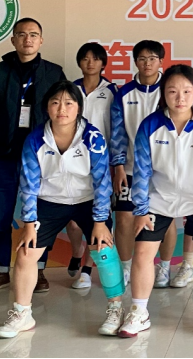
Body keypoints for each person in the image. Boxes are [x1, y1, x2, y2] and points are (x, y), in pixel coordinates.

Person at [0, 81, 122, 338]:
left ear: (78, 108)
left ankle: (116, 309)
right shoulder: (35, 140)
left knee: (104, 249)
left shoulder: (93, 137)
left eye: (68, 103)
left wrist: (100, 222)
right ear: (47, 108)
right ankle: (22, 314)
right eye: (55, 103)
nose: (62, 109)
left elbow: (102, 183)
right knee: (26, 253)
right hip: (49, 201)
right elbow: (29, 185)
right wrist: (29, 223)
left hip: (87, 201)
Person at [118, 65, 193, 337]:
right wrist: (140, 210)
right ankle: (139, 312)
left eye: (187, 91)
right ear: (163, 94)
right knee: (143, 253)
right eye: (172, 91)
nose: (180, 98)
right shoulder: (150, 125)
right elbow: (142, 171)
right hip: (158, 201)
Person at [0, 17, 66, 295]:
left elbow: (63, 111)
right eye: (22, 34)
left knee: (39, 217)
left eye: (33, 35)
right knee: (1, 216)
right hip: (4, 156)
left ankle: (37, 271)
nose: (28, 39)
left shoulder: (53, 73)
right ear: (13, 39)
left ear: (41, 40)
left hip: (41, 158)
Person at [110, 40, 177, 288]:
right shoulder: (124, 93)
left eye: (152, 58)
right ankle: (126, 268)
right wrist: (118, 166)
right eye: (142, 59)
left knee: (166, 218)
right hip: (130, 169)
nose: (147, 63)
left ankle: (164, 267)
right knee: (124, 218)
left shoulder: (170, 91)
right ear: (135, 62)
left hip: (164, 169)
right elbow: (117, 133)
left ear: (161, 62)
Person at [67, 42, 118, 289]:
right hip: (72, 160)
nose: (90, 63)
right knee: (73, 220)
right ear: (79, 62)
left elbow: (117, 128)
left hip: (102, 161)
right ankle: (77, 252)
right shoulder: (70, 89)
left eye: (95, 58)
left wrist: (115, 163)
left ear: (103, 63)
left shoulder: (112, 91)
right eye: (85, 58)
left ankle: (86, 269)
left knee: (98, 215)